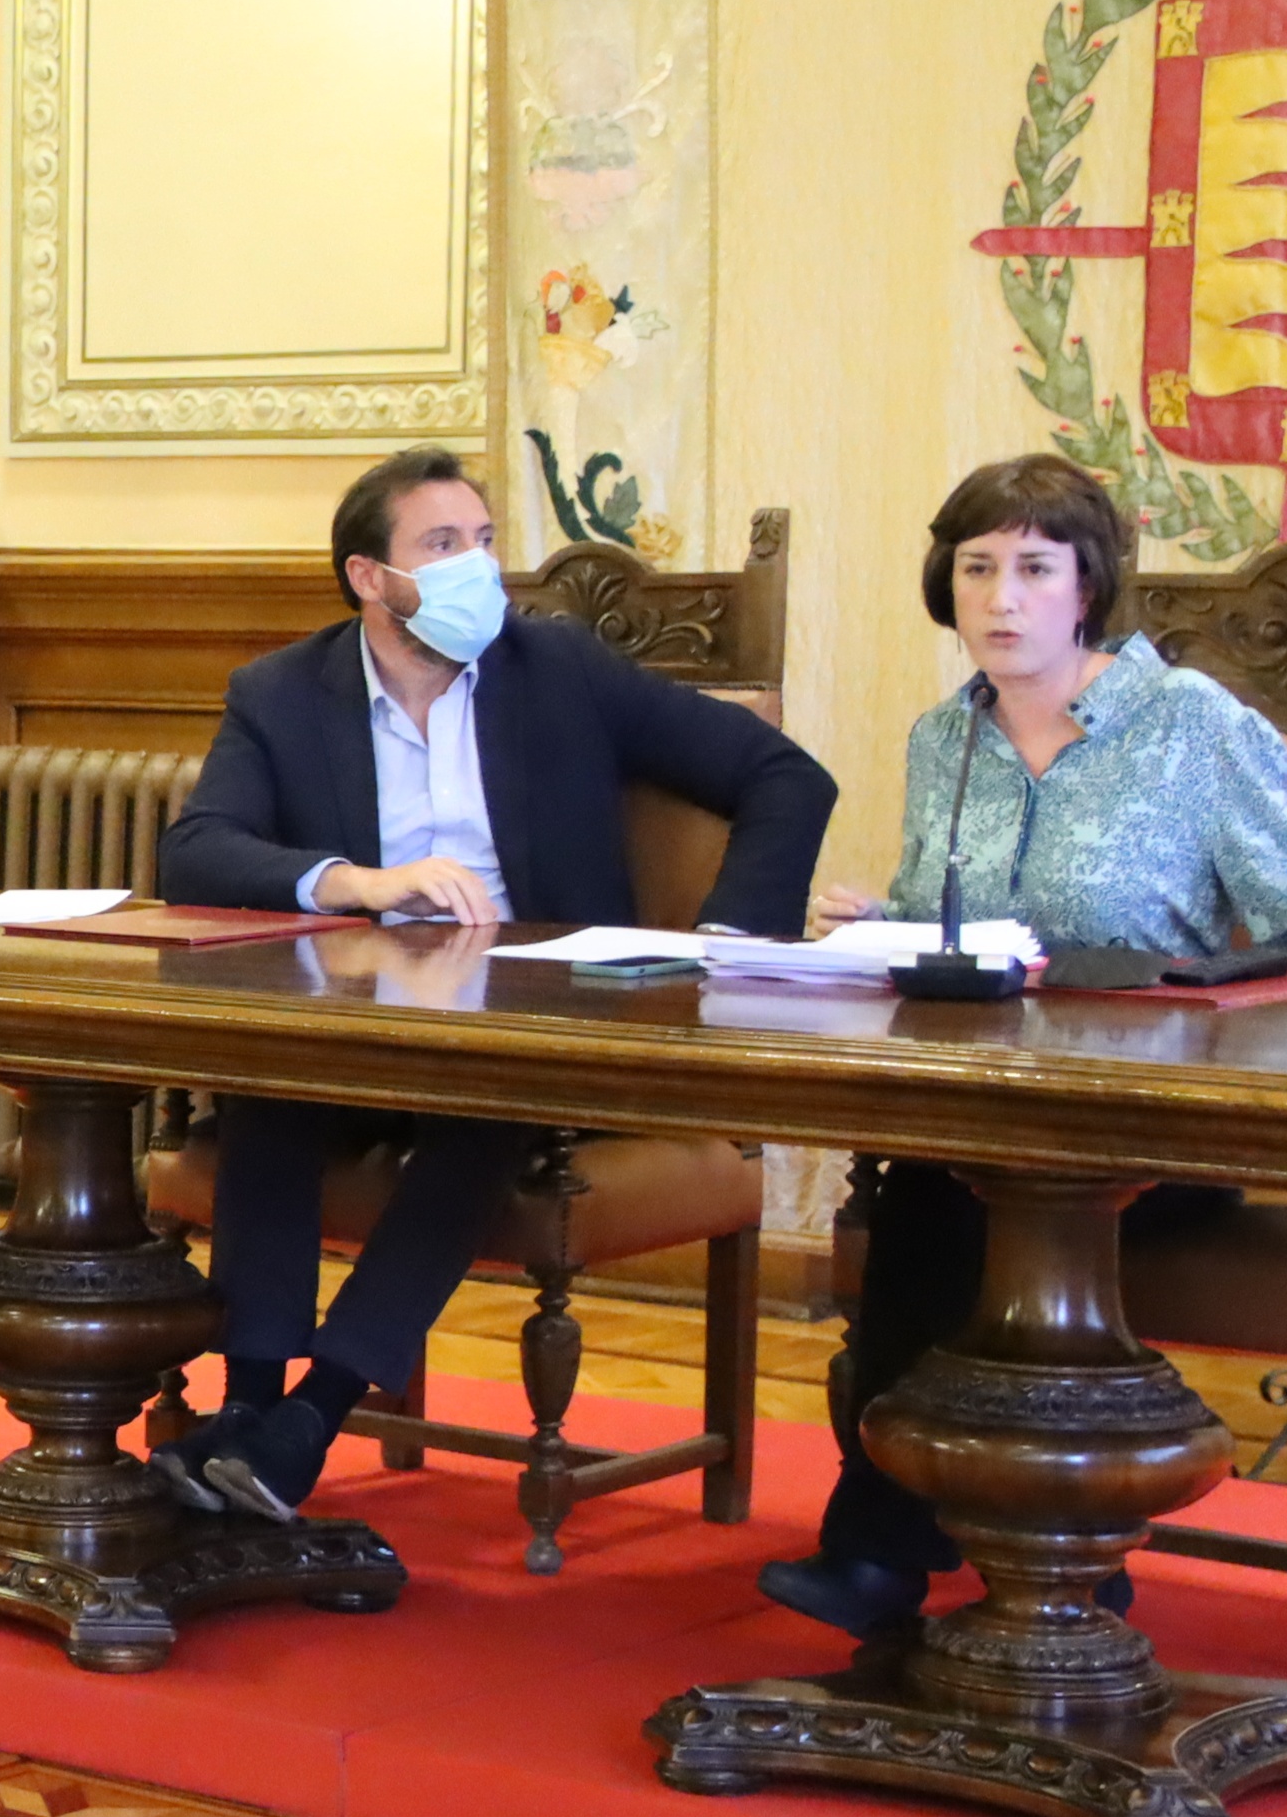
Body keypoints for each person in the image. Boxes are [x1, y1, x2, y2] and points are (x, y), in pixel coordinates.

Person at [760, 451, 1287, 1636]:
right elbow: (953, 916)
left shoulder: (1188, 724)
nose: (1000, 598)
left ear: (1087, 585)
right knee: (928, 1196)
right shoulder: (943, 736)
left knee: (980, 1213)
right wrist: (882, 920)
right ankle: (910, 1550)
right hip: (987, 1106)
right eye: (976, 568)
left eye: (1033, 568)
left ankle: (1033, 1549)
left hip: (1152, 1118)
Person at [153, 448, 837, 1520]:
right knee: (267, 1087)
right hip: (360, 1027)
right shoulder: (282, 692)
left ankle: (311, 1415)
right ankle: (248, 1407)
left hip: (542, 1027)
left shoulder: (558, 669)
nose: (476, 567)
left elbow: (784, 776)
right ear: (367, 576)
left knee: (484, 1112)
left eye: (483, 541)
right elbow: (195, 852)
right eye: (441, 544)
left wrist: (719, 948)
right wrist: (359, 882)